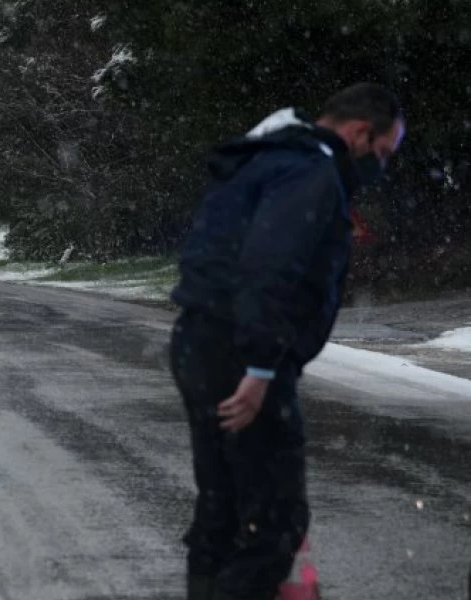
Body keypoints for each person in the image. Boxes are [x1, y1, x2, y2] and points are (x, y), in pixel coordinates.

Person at [169, 83, 406, 600]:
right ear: (361, 133)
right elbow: (268, 268)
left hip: (199, 338)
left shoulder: (266, 158)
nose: (380, 167)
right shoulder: (310, 170)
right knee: (273, 524)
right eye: (384, 153)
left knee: (223, 508)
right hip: (242, 352)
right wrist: (258, 368)